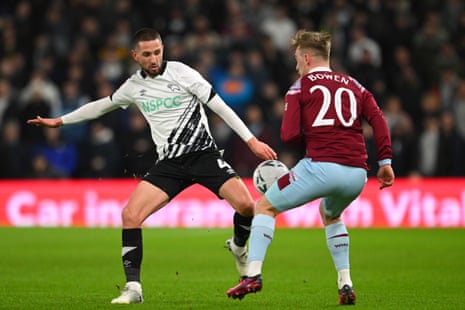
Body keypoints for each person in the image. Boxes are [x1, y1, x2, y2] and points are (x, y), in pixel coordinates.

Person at [27, 28, 277, 304]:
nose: (154, 58)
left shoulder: (183, 73)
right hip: (169, 163)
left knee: (246, 207)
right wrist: (60, 121)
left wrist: (251, 141)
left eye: (157, 51)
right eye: (147, 54)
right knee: (130, 215)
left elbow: (220, 107)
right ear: (135, 55)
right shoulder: (133, 87)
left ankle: (239, 248)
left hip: (204, 155)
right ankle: (133, 288)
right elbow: (101, 106)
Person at [226, 30, 395, 305]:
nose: (295, 65)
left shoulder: (300, 86)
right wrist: (385, 162)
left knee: (264, 207)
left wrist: (312, 131)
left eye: (296, 59)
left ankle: (253, 274)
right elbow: (378, 118)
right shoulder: (354, 85)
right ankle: (345, 283)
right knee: (331, 213)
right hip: (356, 173)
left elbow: (289, 135)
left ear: (306, 57)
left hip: (321, 166)